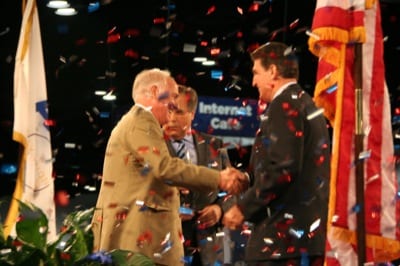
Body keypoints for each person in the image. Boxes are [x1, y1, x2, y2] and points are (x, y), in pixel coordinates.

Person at [91, 68, 248, 266]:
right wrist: (219, 178)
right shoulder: (142, 120)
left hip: (151, 242)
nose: (173, 105)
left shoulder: (136, 121)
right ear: (156, 91)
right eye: (172, 97)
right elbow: (165, 167)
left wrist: (219, 206)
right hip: (141, 243)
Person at [222, 42, 331, 266]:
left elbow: (284, 169)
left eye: (256, 73)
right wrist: (249, 178)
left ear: (272, 71)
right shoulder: (306, 103)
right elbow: (292, 164)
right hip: (304, 241)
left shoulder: (284, 105)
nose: (253, 82)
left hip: (281, 244)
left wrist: (243, 207)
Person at [163, 85, 235, 265]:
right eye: (169, 111)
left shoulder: (214, 145)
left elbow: (231, 190)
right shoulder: (153, 146)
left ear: (192, 114)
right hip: (167, 245)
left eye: (178, 112)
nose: (171, 118)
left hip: (209, 250)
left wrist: (219, 210)